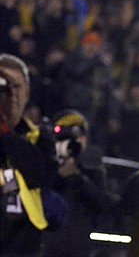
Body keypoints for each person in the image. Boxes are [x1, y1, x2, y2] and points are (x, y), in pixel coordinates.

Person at [0, 54, 59, 257]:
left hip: (22, 244)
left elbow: (40, 176)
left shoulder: (40, 138)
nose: (11, 94)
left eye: (17, 87)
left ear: (27, 93)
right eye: (4, 87)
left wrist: (4, 131)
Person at [42, 109, 119, 257]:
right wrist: (58, 173)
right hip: (46, 244)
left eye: (79, 136)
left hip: (78, 246)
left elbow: (103, 204)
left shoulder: (92, 168)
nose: (74, 142)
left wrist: (77, 178)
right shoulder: (44, 163)